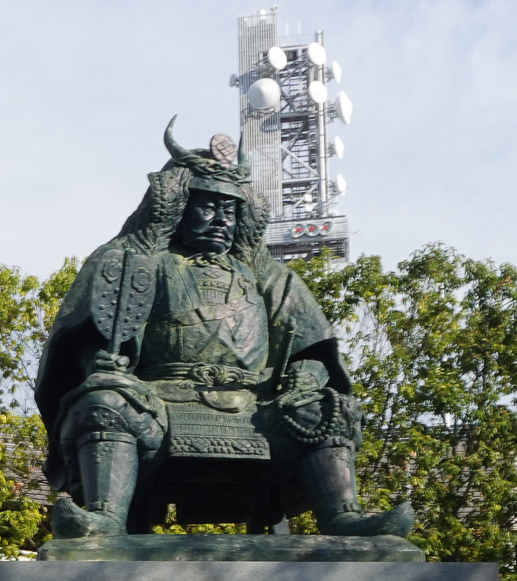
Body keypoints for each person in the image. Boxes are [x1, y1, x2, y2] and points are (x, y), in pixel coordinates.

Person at [35, 120, 414, 541]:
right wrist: (100, 361)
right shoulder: (135, 262)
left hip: (258, 407)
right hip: (159, 401)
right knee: (103, 400)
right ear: (181, 207)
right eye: (209, 207)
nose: (221, 220)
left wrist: (305, 377)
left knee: (328, 408)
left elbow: (311, 348)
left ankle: (343, 517)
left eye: (231, 210)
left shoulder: (271, 277)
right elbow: (93, 329)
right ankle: (104, 518)